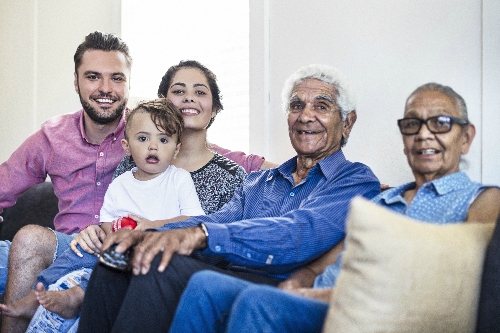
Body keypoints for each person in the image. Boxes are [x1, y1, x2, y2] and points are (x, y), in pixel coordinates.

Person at [167, 82, 500, 333]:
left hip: (371, 308)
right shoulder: (385, 199)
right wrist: (298, 283)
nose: (424, 135)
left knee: (258, 302)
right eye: (412, 125)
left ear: (466, 137)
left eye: (440, 124)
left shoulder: (482, 199)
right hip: (323, 296)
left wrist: (318, 296)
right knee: (205, 285)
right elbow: (321, 266)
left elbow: (462, 282)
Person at [76, 64, 381, 333]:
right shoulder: (260, 180)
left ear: (348, 122)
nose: (305, 116)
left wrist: (201, 235)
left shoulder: (354, 180)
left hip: (277, 286)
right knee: (118, 258)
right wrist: (146, 235)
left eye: (322, 106)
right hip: (225, 270)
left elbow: (298, 231)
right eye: (296, 105)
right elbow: (215, 220)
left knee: (159, 265)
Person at [1, 60, 250, 332]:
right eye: (179, 91)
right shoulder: (131, 166)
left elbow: (210, 229)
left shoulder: (228, 174)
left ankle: (74, 296)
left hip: (168, 259)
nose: (189, 97)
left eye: (200, 92)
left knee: (113, 268)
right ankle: (40, 297)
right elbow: (110, 216)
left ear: (214, 107)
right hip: (114, 243)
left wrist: (148, 228)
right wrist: (100, 232)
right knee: (75, 251)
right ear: (164, 101)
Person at [0, 31, 132, 333]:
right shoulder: (53, 136)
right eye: (93, 76)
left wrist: (262, 167)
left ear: (128, 82)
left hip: (115, 252)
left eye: (117, 78)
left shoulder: (147, 132)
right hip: (60, 248)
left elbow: (202, 154)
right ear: (76, 81)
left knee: (30, 238)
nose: (105, 88)